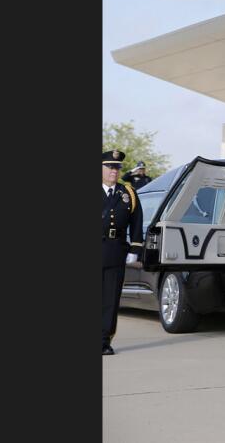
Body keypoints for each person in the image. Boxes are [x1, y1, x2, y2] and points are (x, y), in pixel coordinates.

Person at [102, 150, 143, 355]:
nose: (114, 171)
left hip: (115, 250)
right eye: (110, 167)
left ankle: (103, 342)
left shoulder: (128, 193)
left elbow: (137, 221)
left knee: (110, 299)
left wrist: (135, 248)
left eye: (117, 168)